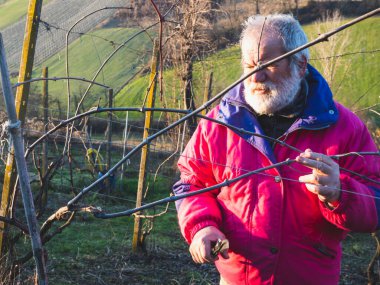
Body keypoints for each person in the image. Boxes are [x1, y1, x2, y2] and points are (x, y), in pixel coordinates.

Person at [173, 14, 379, 285]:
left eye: (268, 65)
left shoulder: (343, 127)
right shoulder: (220, 123)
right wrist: (202, 226)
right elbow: (190, 184)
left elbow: (376, 199)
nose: (256, 76)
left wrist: (340, 192)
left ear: (300, 65)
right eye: (248, 65)